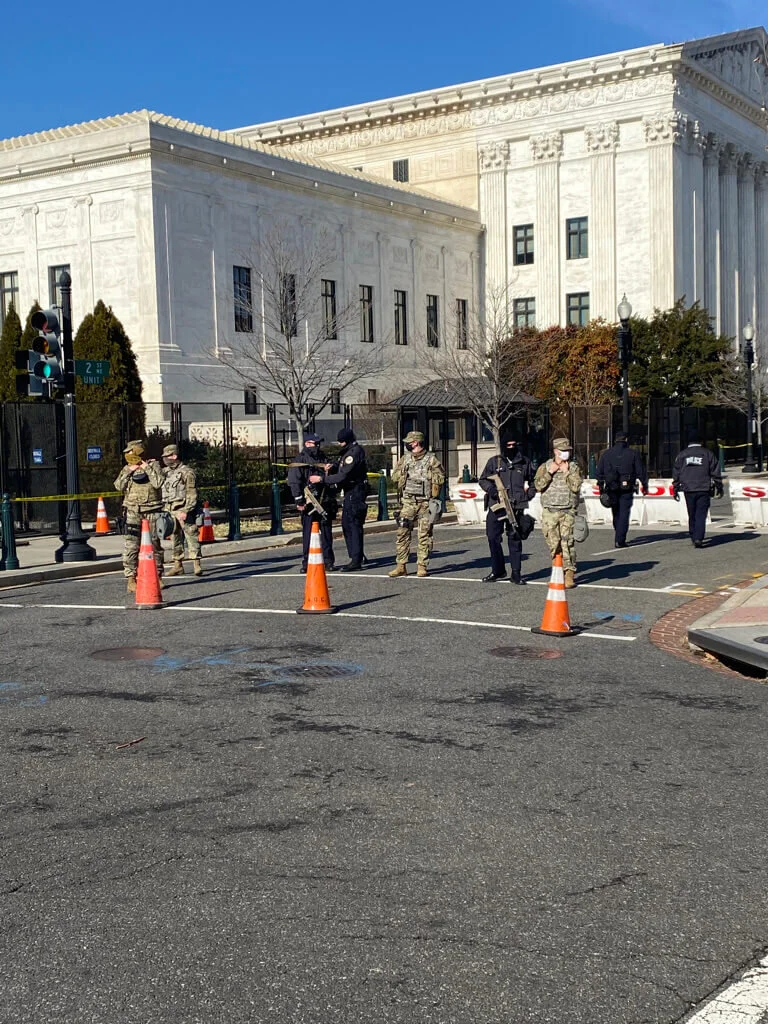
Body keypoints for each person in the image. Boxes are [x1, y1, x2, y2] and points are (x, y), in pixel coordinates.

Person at [478, 435, 536, 584]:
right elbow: (483, 479)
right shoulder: (494, 461)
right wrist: (492, 490)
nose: (511, 448)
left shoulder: (524, 462)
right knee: (492, 537)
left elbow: (534, 480)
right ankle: (498, 570)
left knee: (514, 538)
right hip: (496, 505)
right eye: (508, 445)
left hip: (516, 506)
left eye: (513, 444)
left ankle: (516, 573)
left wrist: (528, 494)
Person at [388, 430, 445, 578]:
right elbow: (394, 476)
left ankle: (422, 566)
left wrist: (426, 475)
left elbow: (440, 478)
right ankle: (401, 565)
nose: (407, 444)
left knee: (424, 534)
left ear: (416, 442)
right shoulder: (405, 459)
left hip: (425, 502)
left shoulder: (431, 459)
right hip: (408, 501)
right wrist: (404, 476)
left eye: (410, 442)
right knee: (402, 533)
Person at [114, 440, 165, 593]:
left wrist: (146, 468)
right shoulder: (127, 469)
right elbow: (118, 486)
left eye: (131, 451)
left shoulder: (154, 466)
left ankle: (158, 575)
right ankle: (131, 578)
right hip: (133, 511)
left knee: (154, 544)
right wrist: (130, 471)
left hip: (152, 510)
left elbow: (158, 483)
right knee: (131, 545)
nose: (128, 454)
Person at [534, 436, 583, 589]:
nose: (566, 453)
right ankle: (557, 571)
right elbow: (538, 486)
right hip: (550, 511)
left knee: (567, 543)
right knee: (553, 544)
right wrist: (550, 472)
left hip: (567, 510)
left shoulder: (573, 467)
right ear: (555, 451)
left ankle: (569, 573)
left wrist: (566, 472)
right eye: (563, 451)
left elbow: (576, 487)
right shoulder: (545, 466)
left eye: (567, 451)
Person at [287, 432, 338, 573]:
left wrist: (331, 468)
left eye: (318, 444)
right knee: (308, 533)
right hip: (309, 501)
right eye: (314, 444)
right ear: (307, 444)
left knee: (327, 533)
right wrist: (299, 500)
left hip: (324, 500)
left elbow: (334, 470)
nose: (317, 446)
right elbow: (294, 481)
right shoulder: (300, 460)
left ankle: (328, 561)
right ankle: (307, 562)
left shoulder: (323, 457)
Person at [324, 428, 368, 571]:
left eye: (341, 441)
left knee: (352, 524)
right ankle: (357, 554)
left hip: (355, 491)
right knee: (347, 524)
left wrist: (324, 479)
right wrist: (334, 466)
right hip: (350, 491)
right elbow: (342, 466)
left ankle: (356, 559)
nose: (340, 444)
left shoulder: (354, 452)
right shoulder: (348, 453)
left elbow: (345, 474)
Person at [596, 431, 649, 548]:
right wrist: (645, 485)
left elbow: (599, 472)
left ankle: (618, 532)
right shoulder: (633, 453)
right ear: (626, 440)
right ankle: (620, 539)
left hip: (611, 487)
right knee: (624, 513)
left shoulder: (606, 454)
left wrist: (601, 486)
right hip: (627, 487)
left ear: (615, 440)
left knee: (616, 512)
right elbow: (640, 471)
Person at [671, 435, 723, 547]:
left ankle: (693, 534)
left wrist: (675, 488)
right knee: (701, 513)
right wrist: (719, 486)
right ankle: (698, 537)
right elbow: (715, 471)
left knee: (692, 512)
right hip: (703, 487)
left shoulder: (682, 455)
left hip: (688, 488)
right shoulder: (707, 453)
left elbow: (676, 472)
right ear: (700, 441)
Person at [161, 444, 203, 577]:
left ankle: (197, 564)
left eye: (167, 456)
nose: (165, 459)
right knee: (175, 538)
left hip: (183, 509)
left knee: (191, 536)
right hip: (169, 510)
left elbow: (192, 493)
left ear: (174, 456)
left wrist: (187, 509)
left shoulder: (187, 472)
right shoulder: (165, 472)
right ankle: (177, 565)